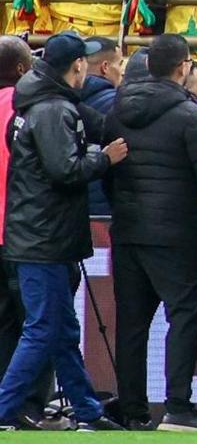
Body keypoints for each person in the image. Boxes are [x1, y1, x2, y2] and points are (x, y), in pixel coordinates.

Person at [104, 33, 197, 431]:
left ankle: (132, 411)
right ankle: (178, 406)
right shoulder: (190, 115)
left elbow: (108, 172)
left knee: (131, 323)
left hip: (128, 231)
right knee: (184, 314)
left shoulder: (118, 110)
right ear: (183, 67)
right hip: (177, 231)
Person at [0, 33, 125, 430]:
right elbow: (65, 170)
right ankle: (2, 408)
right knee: (41, 330)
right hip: (44, 239)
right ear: (77, 66)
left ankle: (87, 411)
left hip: (35, 234)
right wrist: (103, 157)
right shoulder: (54, 109)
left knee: (63, 331)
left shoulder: (30, 104)